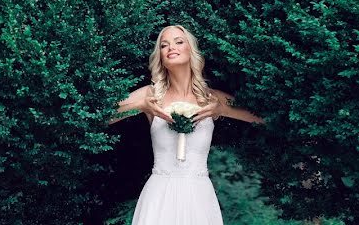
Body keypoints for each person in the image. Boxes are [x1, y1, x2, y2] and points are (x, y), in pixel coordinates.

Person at [109, 24, 265, 225]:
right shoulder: (151, 94)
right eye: (164, 45)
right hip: (159, 194)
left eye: (179, 42)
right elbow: (103, 116)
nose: (171, 47)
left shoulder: (210, 97)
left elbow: (262, 118)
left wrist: (222, 110)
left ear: (192, 51)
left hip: (199, 196)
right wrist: (139, 105)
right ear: (161, 58)